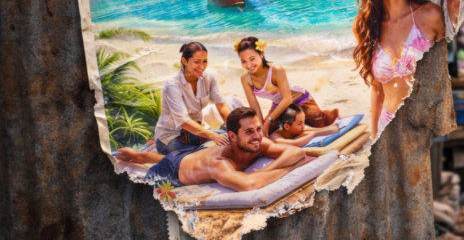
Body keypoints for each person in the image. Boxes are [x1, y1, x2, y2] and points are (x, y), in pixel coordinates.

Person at [341, 0, 445, 139]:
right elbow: (377, 89)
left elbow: (446, 77)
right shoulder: (364, 25)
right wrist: (374, 136)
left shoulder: (430, 16)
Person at [118, 108, 311, 191]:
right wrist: (289, 168)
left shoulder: (257, 142)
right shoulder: (219, 165)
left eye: (259, 129)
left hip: (196, 152)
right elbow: (249, 185)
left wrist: (266, 171)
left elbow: (297, 153)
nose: (257, 136)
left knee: (181, 155)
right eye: (249, 131)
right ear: (233, 136)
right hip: (172, 169)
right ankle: (139, 157)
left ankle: (139, 155)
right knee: (166, 160)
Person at [236, 36, 338, 137]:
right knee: (267, 132)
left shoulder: (276, 70)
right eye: (243, 61)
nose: (248, 65)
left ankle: (332, 112)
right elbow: (254, 106)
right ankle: (299, 121)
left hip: (300, 100)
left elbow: (287, 99)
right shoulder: (245, 79)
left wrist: (268, 122)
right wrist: (260, 127)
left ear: (261, 54)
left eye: (252, 59)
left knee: (320, 123)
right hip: (279, 106)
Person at [148, 42, 239, 155]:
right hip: (171, 138)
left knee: (233, 142)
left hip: (197, 135)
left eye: (205, 61)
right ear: (184, 60)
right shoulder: (173, 86)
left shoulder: (208, 78)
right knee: (210, 155)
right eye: (196, 62)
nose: (202, 66)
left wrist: (234, 129)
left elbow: (221, 105)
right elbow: (184, 121)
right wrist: (214, 136)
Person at [269, 103, 341, 148]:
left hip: (293, 133)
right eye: (300, 123)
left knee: (304, 130)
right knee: (303, 133)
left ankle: (330, 122)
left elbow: (306, 128)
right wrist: (314, 134)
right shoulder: (275, 138)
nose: (303, 125)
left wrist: (319, 131)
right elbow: (295, 144)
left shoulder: (294, 129)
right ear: (287, 126)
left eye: (303, 122)